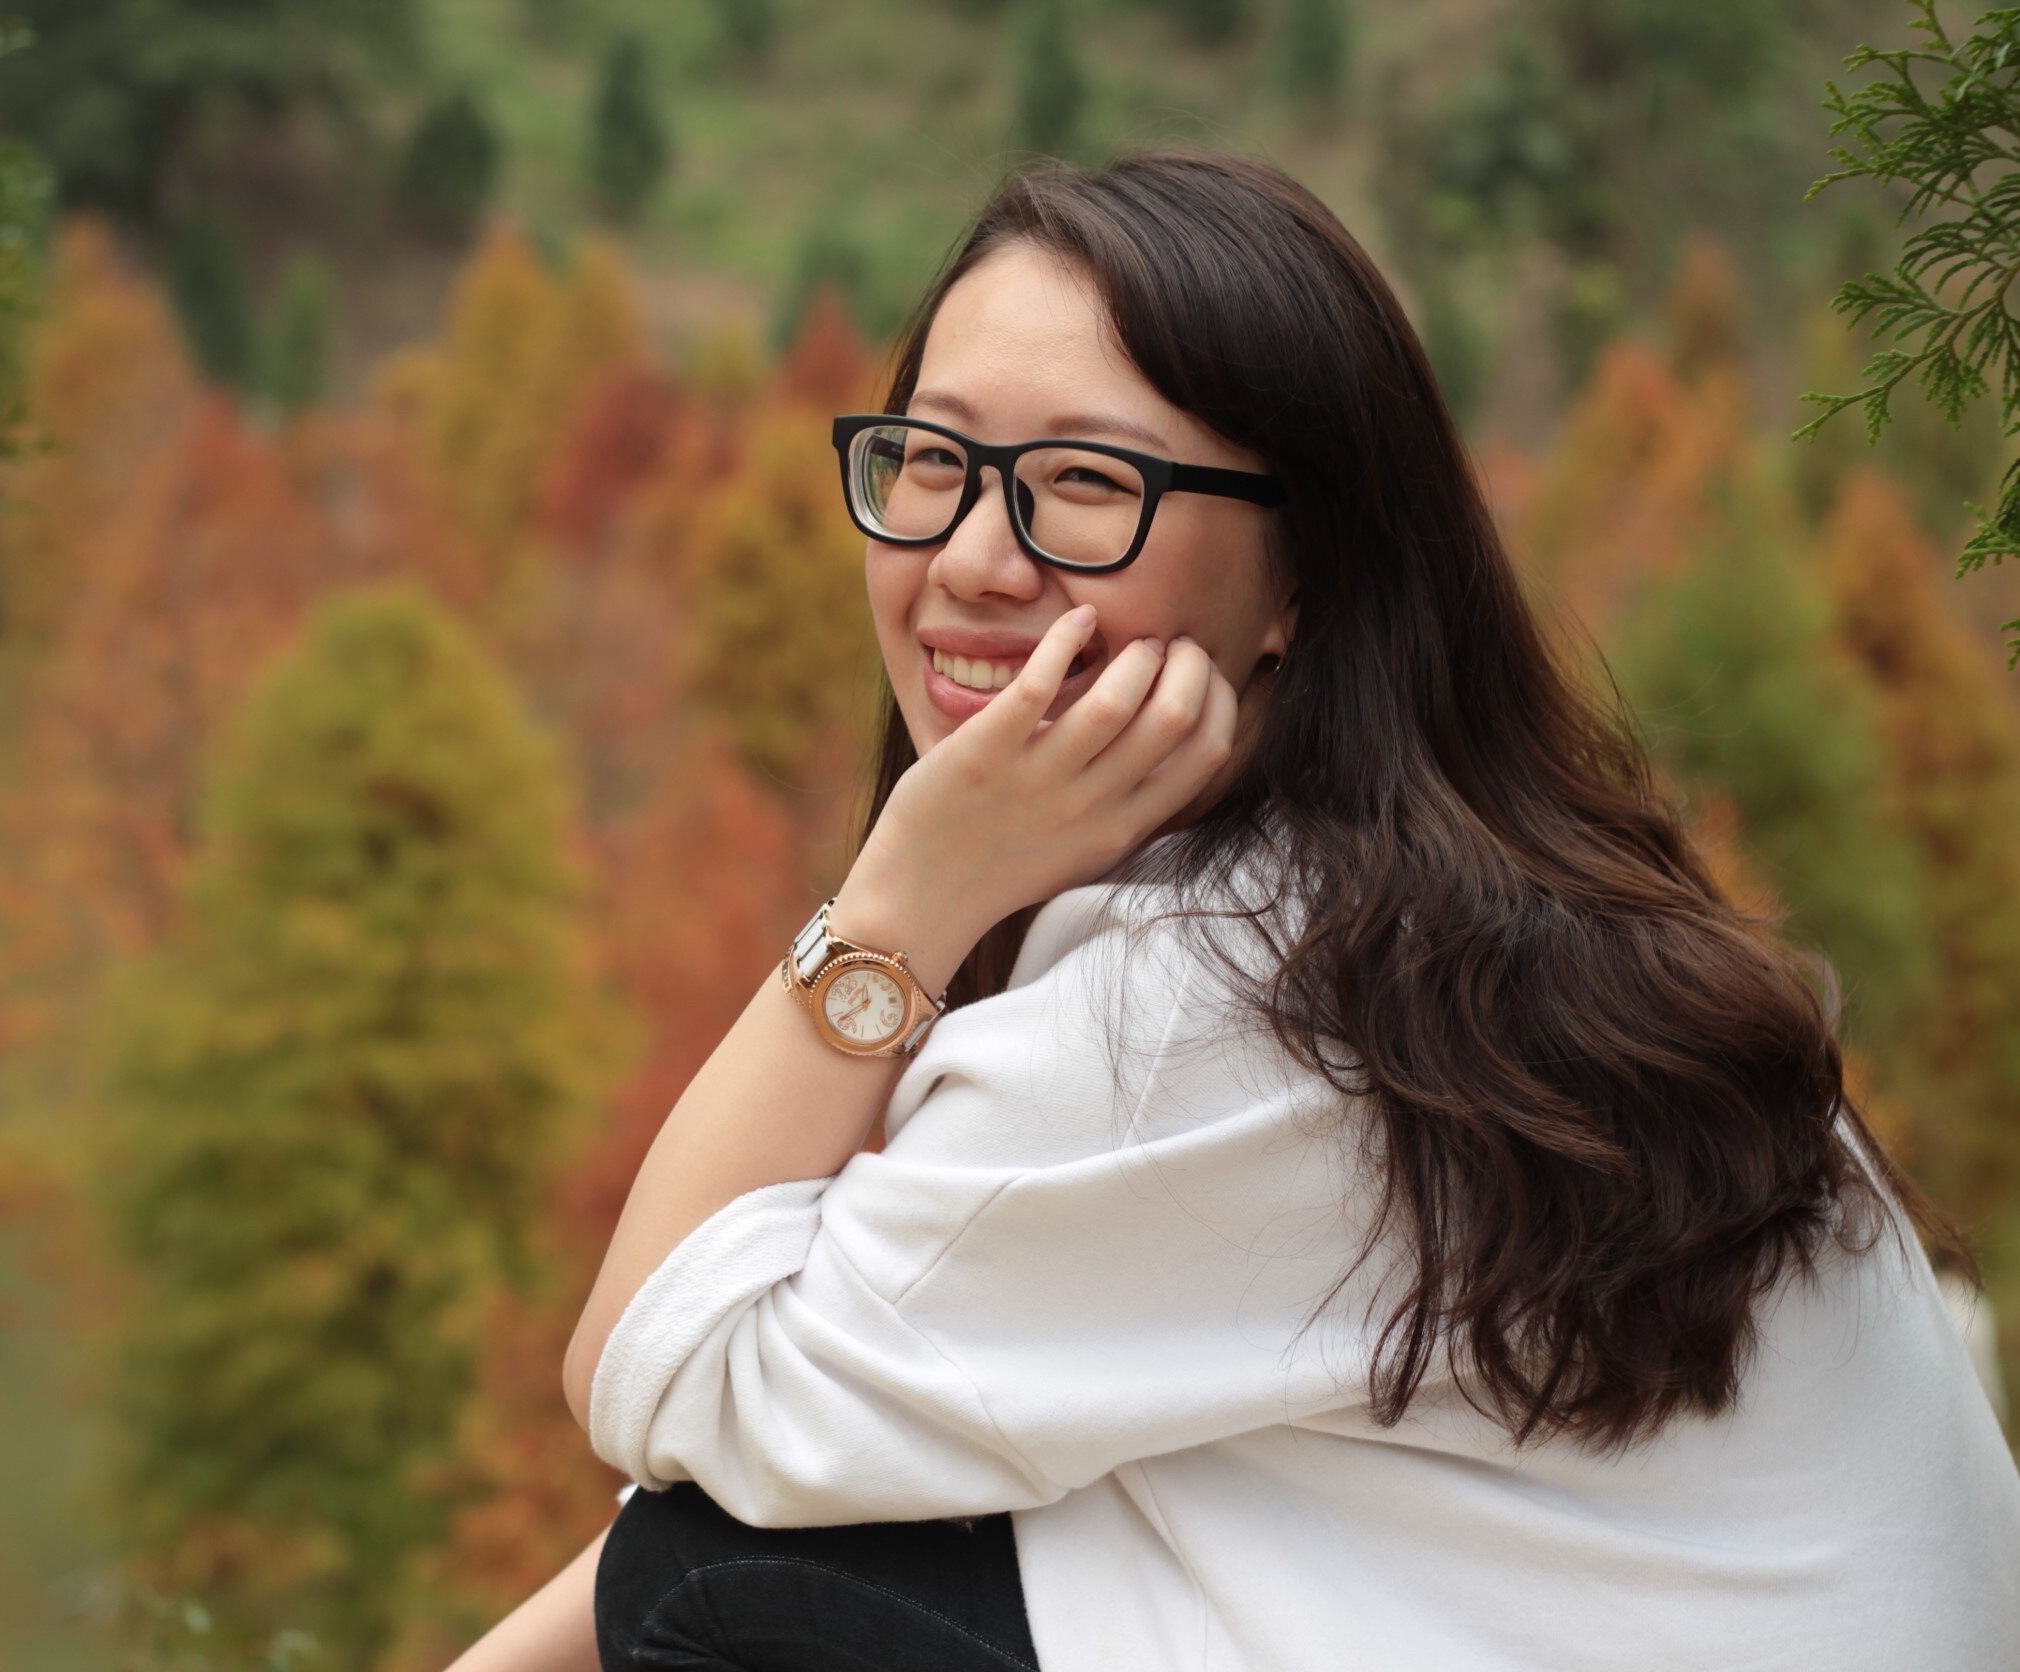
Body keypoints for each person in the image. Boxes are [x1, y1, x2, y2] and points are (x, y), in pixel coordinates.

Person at [446, 146, 2020, 1672]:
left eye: (1084, 483)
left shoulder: (1244, 997)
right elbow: (836, 1417)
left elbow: (653, 1372)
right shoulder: (1443, 917)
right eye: (933, 460)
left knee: (718, 1586)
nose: (972, 559)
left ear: (1302, 582)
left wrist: (900, 899)